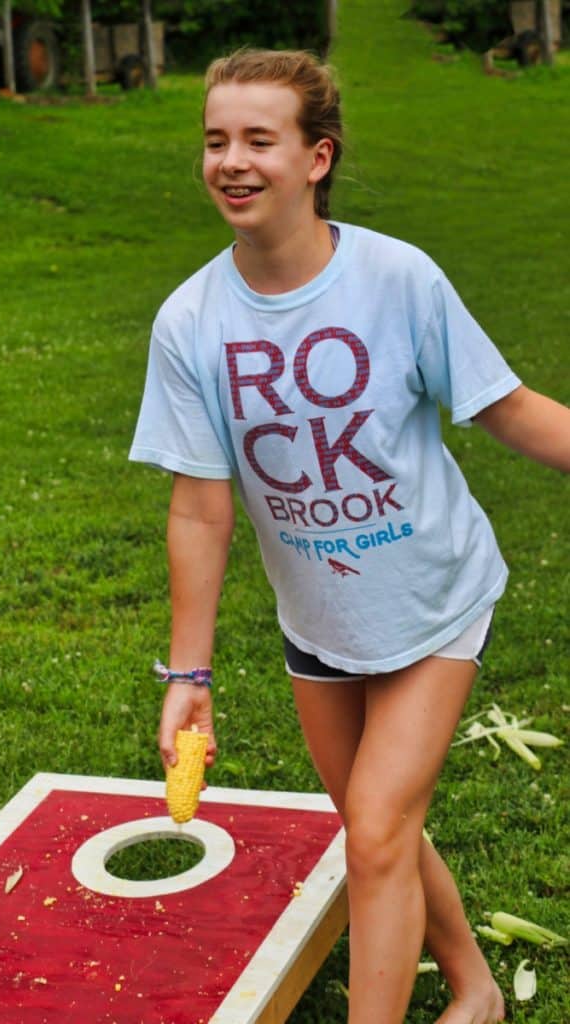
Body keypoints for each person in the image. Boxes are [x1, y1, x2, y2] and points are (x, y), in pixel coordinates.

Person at [129, 48, 569, 1024]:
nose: (231, 162)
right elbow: (199, 508)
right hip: (318, 618)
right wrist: (188, 679)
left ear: (316, 154)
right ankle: (476, 988)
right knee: (381, 829)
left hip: (432, 596)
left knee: (373, 829)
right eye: (214, 141)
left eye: (258, 140)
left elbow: (509, 411)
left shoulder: (395, 279)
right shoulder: (191, 320)